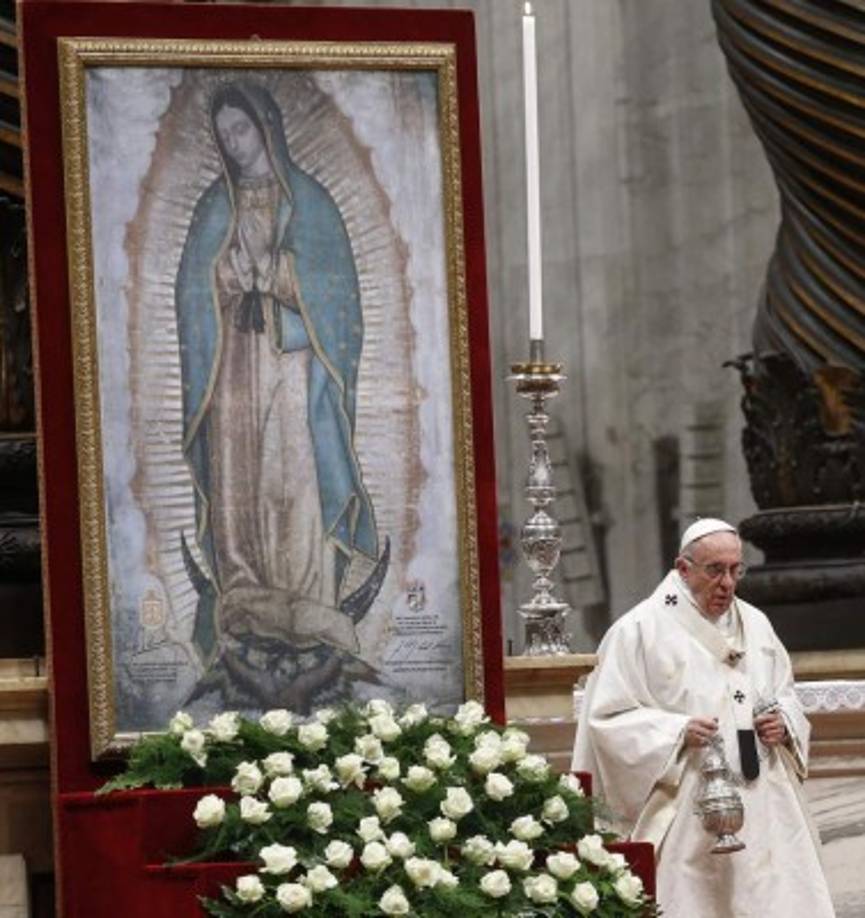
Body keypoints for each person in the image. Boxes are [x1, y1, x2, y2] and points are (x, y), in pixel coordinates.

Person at [174, 81, 386, 711]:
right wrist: (225, 276)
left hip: (293, 368)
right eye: (225, 135)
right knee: (239, 479)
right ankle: (245, 595)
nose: (236, 144)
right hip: (233, 371)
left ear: (266, 127)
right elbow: (192, 293)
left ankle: (306, 599)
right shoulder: (215, 206)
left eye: (242, 130)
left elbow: (339, 300)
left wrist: (277, 274)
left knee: (292, 476)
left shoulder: (310, 203)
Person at [572, 518, 835, 917]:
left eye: (735, 570)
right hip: (687, 800)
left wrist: (783, 722)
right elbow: (606, 719)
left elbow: (784, 691)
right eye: (715, 570)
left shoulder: (756, 623)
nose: (727, 583)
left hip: (764, 797)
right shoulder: (638, 630)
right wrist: (675, 731)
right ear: (683, 568)